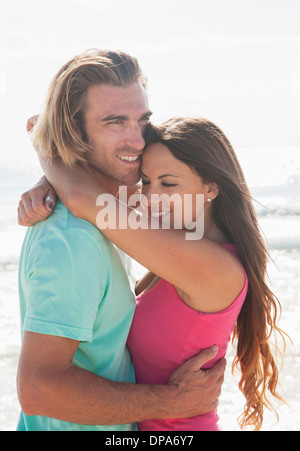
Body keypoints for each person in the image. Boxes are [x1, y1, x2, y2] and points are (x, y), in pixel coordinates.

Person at [19, 115, 286, 431]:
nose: (149, 198)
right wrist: (45, 183)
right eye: (146, 181)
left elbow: (84, 198)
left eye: (168, 184)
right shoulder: (182, 240)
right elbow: (99, 191)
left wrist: (45, 145)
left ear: (211, 187)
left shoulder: (212, 267)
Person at [16, 49, 226, 432]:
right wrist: (172, 400)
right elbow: (39, 390)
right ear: (74, 132)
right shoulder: (73, 240)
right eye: (115, 122)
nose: (138, 140)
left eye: (142, 120)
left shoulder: (116, 214)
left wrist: (49, 172)